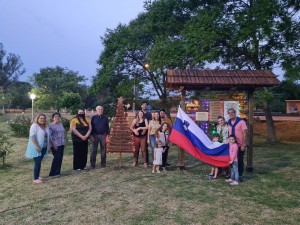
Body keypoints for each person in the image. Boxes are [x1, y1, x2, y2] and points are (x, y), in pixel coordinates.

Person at [25, 114, 50, 184]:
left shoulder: (45, 126)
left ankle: (37, 176)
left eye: (44, 118)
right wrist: (36, 146)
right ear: (38, 118)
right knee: (37, 163)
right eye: (41, 118)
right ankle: (35, 179)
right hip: (37, 148)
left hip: (44, 147)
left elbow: (48, 136)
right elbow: (32, 136)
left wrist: (49, 146)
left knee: (39, 163)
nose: (43, 119)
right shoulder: (34, 126)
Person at [227, 108, 247, 182]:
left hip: (239, 145)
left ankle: (240, 176)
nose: (231, 114)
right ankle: (233, 176)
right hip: (231, 146)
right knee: (233, 160)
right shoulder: (228, 122)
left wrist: (243, 144)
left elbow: (245, 133)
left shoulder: (241, 122)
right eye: (229, 113)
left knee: (240, 161)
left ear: (235, 113)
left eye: (232, 112)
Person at [49, 112, 65, 177]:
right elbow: (49, 136)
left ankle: (57, 172)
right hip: (55, 144)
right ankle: (52, 173)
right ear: (53, 118)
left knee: (60, 158)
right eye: (55, 117)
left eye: (58, 116)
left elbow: (63, 133)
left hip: (61, 144)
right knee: (56, 158)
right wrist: (53, 144)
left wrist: (65, 142)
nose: (57, 118)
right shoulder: (51, 125)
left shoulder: (61, 124)